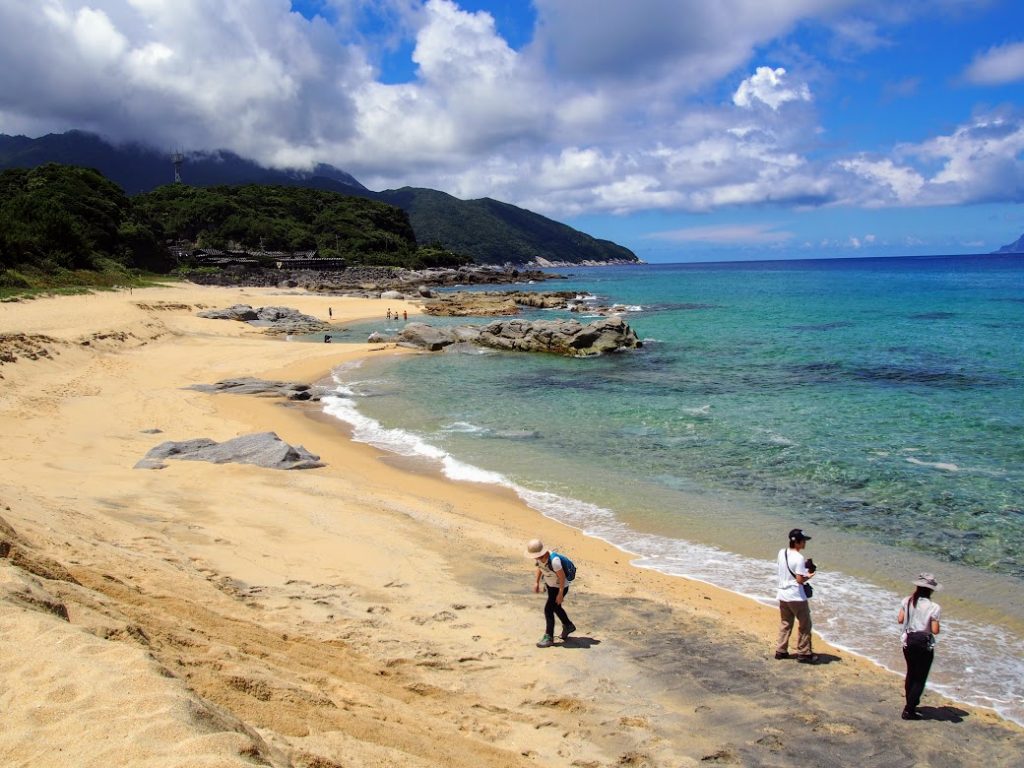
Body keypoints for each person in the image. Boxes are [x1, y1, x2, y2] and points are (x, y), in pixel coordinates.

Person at [896, 573, 942, 720]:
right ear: (931, 590)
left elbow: (900, 619)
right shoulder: (934, 607)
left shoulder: (907, 601)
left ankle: (910, 703)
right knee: (920, 678)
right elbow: (935, 630)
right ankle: (909, 709)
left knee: (910, 673)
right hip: (923, 644)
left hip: (908, 641)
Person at [775, 528, 817, 663]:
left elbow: (787, 568)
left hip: (782, 594)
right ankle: (804, 653)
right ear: (798, 542)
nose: (805, 543)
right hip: (796, 596)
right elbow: (799, 580)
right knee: (805, 625)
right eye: (804, 541)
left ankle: (780, 650)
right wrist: (809, 576)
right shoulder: (799, 558)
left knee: (785, 623)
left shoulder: (782, 552)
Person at [525, 539, 576, 647]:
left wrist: (561, 593)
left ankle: (549, 637)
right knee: (556, 607)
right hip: (551, 585)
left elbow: (562, 577)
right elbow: (540, 568)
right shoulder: (540, 559)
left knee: (548, 609)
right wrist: (536, 582)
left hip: (560, 587)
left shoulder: (554, 561)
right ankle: (568, 625)